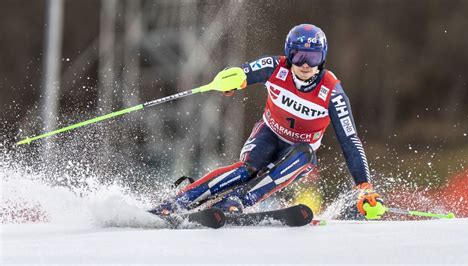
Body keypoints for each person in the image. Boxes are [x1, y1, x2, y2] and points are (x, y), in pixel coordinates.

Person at [152, 24, 385, 220]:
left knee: (305, 155)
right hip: (269, 134)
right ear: (289, 54)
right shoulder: (276, 67)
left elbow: (350, 140)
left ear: (322, 58)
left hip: (296, 153)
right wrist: (231, 79)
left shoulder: (332, 92)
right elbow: (244, 72)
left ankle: (237, 201)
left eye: (312, 57)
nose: (305, 64)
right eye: (298, 56)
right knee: (248, 169)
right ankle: (178, 201)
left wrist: (365, 188)